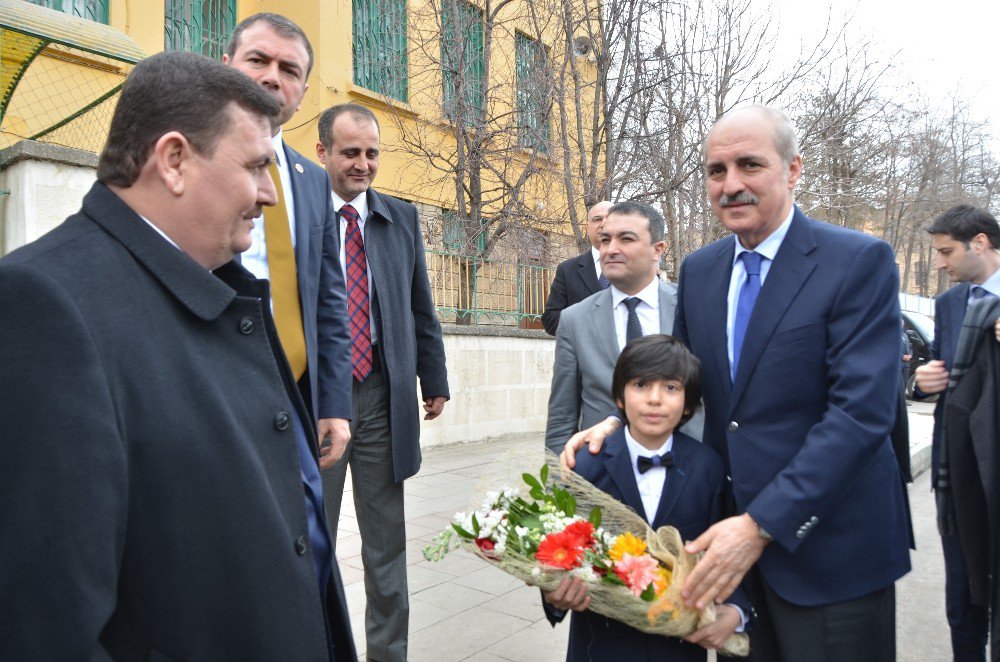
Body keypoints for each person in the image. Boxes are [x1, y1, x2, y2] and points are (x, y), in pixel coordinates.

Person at [0, 51, 355, 660]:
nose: (270, 195)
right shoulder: (43, 305)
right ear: (173, 161)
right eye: (254, 168)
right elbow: (47, 621)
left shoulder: (212, 285)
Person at [562, 105, 910, 661]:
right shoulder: (702, 270)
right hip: (730, 563)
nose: (731, 185)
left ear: (793, 170)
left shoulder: (857, 261)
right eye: (716, 170)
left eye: (749, 165)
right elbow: (676, 380)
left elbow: (860, 414)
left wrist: (761, 525)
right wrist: (612, 423)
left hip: (831, 552)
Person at [315, 103, 449, 662]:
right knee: (310, 541)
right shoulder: (299, 214)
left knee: (385, 548)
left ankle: (388, 655)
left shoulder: (401, 218)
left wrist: (433, 376)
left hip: (381, 398)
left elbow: (422, 307)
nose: (363, 165)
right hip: (318, 401)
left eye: (372, 153)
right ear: (322, 152)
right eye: (351, 153)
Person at [544, 335, 748, 661]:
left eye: (670, 387)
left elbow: (722, 553)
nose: (655, 399)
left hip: (678, 647)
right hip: (601, 646)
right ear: (620, 398)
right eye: (640, 385)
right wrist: (553, 592)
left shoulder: (708, 468)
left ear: (689, 403)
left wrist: (736, 609)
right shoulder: (584, 467)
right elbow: (555, 547)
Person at [224, 13, 352, 453]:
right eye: (258, 60)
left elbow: (330, 300)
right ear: (225, 66)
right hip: (222, 393)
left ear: (302, 94)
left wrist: (334, 403)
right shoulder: (192, 163)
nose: (272, 78)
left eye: (290, 70)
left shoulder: (314, 181)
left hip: (301, 396)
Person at [913, 204, 1000, 661]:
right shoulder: (949, 304)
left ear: (980, 243)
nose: (941, 263)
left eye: (947, 252)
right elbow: (940, 371)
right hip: (957, 473)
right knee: (962, 601)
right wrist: (924, 382)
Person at [545, 201, 677, 456]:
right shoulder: (574, 320)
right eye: (605, 240)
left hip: (681, 474)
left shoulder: (689, 307)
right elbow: (562, 417)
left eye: (626, 239)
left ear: (657, 250)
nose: (611, 249)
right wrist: (558, 489)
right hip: (601, 471)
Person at [542, 200, 614, 335]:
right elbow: (550, 320)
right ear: (587, 228)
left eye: (610, 218)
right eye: (597, 219)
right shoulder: (567, 270)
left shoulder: (634, 267)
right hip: (583, 354)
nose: (603, 223)